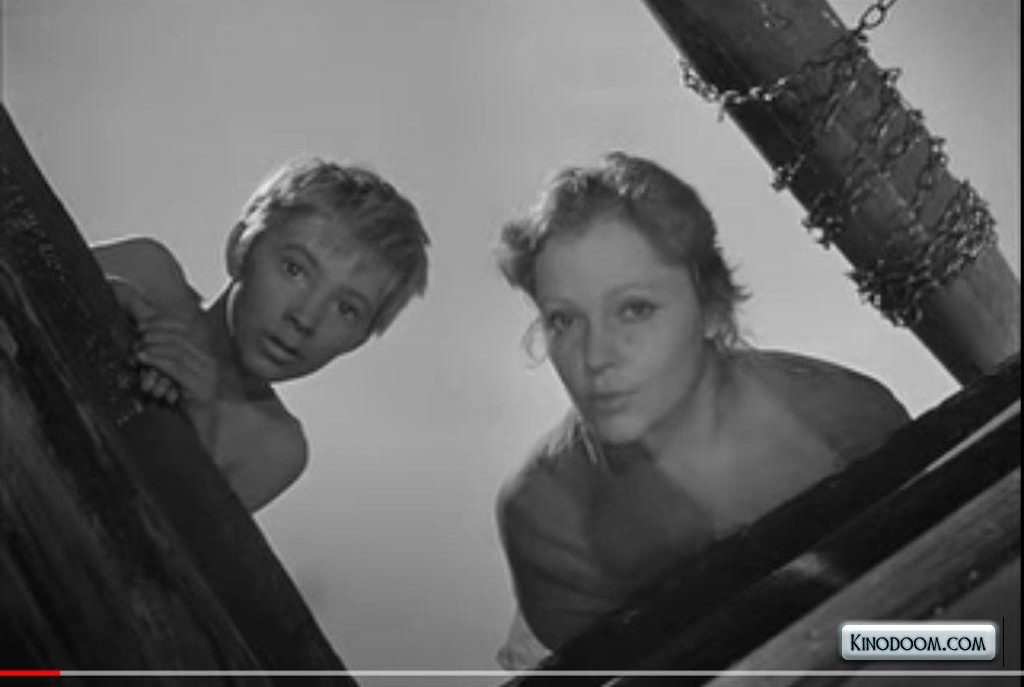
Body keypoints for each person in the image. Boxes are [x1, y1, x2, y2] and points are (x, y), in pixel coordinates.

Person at [493, 151, 909, 667]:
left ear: (712, 309)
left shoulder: (847, 420)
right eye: (563, 320)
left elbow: (936, 629)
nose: (596, 357)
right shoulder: (546, 517)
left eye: (635, 309)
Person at [93, 157, 430, 513]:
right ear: (240, 249)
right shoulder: (144, 273)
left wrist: (197, 419)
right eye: (294, 269)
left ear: (358, 341)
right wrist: (95, 300)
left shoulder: (273, 448)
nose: (305, 318)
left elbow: (171, 537)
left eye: (347, 309)